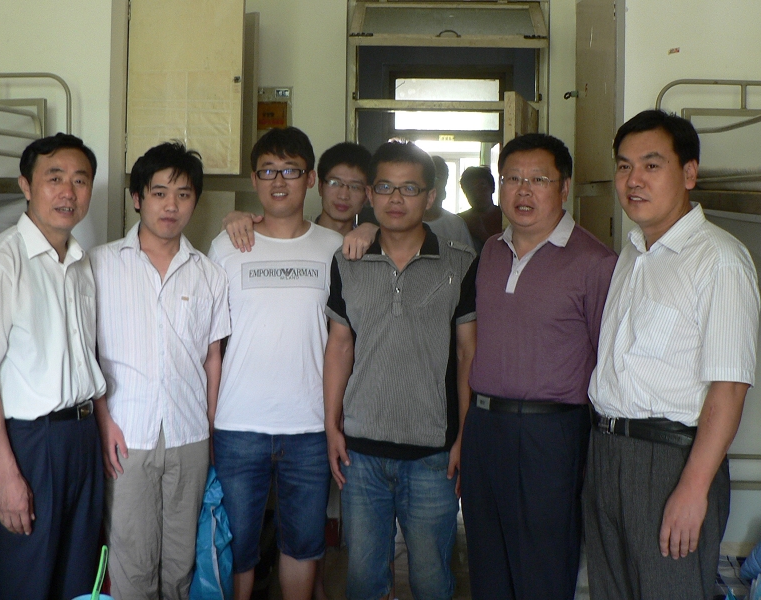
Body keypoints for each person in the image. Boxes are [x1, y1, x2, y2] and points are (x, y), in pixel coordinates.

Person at [585, 110, 760, 599]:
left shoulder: (719, 260)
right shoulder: (632, 253)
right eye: (624, 166)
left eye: (651, 165)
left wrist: (693, 488)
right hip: (606, 453)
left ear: (688, 173)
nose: (633, 180)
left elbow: (730, 387)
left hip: (670, 462)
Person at [461, 133, 617, 600]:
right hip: (484, 427)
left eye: (539, 180)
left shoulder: (595, 261)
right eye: (512, 179)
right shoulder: (490, 251)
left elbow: (606, 357)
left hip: (551, 434)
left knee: (543, 568)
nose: (523, 190)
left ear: (564, 187)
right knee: (486, 563)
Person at [324, 140, 477, 600]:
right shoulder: (347, 261)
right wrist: (331, 426)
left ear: (430, 197)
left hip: (432, 453)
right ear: (370, 194)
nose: (396, 199)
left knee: (432, 579)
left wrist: (464, 435)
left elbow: (468, 354)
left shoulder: (460, 262)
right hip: (361, 450)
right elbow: (340, 346)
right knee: (364, 579)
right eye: (386, 187)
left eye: (409, 188)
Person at [0, 133, 106, 599]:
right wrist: (7, 477)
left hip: (81, 438)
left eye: (80, 180)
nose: (68, 192)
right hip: (29, 444)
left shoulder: (81, 264)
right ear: (26, 185)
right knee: (27, 579)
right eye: (54, 178)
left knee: (78, 578)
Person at [90, 142, 230, 599]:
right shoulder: (99, 265)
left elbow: (212, 357)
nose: (172, 205)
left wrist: (211, 427)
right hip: (125, 436)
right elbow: (88, 352)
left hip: (190, 435)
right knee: (132, 563)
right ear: (137, 198)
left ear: (195, 202)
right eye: (159, 193)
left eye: (184, 194)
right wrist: (103, 422)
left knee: (180, 564)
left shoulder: (209, 274)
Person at [208, 127, 343, 600]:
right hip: (237, 425)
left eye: (290, 170)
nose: (279, 181)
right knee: (237, 547)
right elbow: (211, 346)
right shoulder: (226, 246)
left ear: (310, 179)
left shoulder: (334, 248)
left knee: (302, 547)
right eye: (268, 171)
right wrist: (210, 422)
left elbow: (344, 341)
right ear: (254, 179)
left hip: (309, 427)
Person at [223, 141, 375, 255]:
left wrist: (377, 232)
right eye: (334, 183)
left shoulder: (373, 243)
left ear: (367, 195)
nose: (343, 195)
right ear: (319, 186)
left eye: (355, 187)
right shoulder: (294, 237)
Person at [423, 156, 476, 248]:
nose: (433, 183)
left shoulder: (456, 224)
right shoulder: (404, 222)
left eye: (438, 178)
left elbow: (467, 255)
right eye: (429, 178)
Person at [458, 166, 503, 252]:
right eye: (471, 190)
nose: (477, 194)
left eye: (481, 187)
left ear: (492, 188)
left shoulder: (508, 218)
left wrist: (482, 234)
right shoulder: (459, 221)